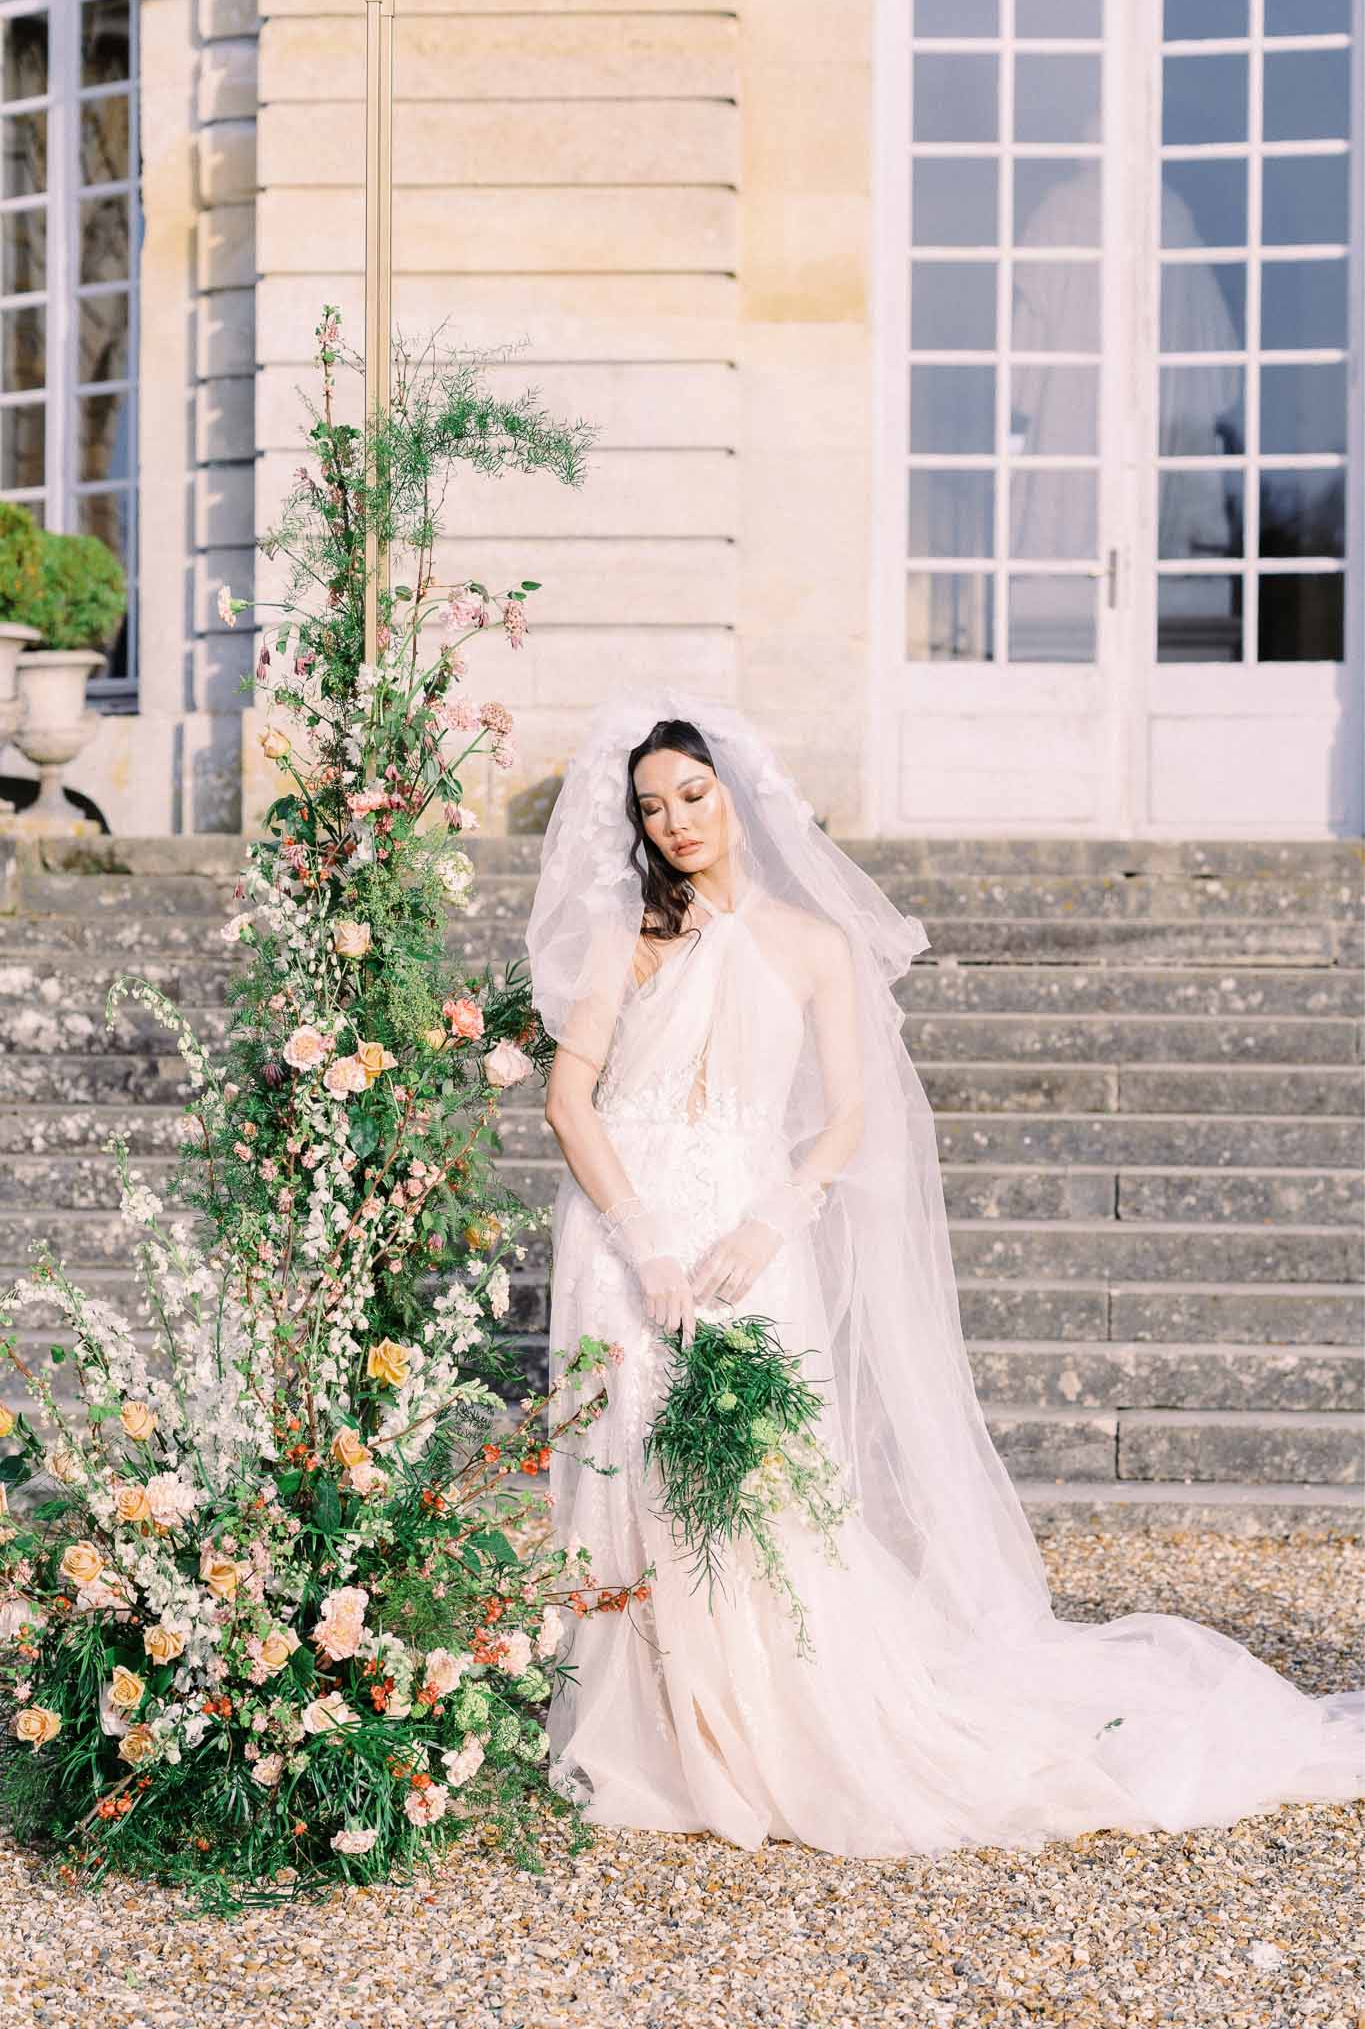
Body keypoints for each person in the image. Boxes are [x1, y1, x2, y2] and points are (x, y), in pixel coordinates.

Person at [525, 682, 1363, 1858]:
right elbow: (571, 1101)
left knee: (767, 1484)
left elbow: (848, 1117)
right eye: (653, 805)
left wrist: (773, 1219)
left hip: (749, 1233)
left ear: (738, 795)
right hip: (629, 1233)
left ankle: (775, 1722)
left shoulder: (816, 944)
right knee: (632, 1473)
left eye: (695, 794)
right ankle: (657, 1732)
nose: (676, 821)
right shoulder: (627, 942)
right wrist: (645, 1242)